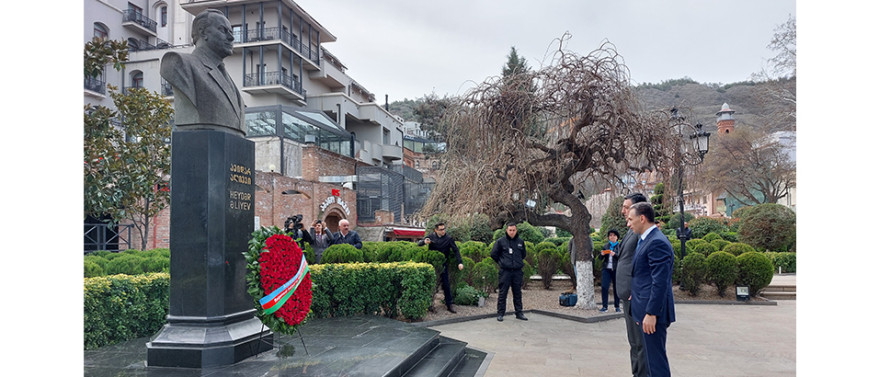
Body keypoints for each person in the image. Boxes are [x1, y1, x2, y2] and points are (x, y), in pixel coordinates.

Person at [160, 9, 246, 135]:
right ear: (203, 32)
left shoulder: (225, 76)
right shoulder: (178, 62)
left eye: (231, 32)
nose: (231, 37)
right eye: (223, 30)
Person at [627, 201, 676, 377]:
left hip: (652, 314)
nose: (628, 224)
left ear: (642, 218)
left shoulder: (657, 242)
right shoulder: (646, 239)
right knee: (649, 361)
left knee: (656, 364)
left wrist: (651, 313)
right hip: (644, 308)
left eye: (631, 219)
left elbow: (660, 282)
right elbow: (644, 275)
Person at [617, 193, 649, 377]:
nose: (623, 211)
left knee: (640, 342)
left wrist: (636, 289)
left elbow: (643, 265)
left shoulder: (641, 234)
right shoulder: (631, 230)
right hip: (627, 294)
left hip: (634, 295)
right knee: (634, 342)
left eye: (627, 207)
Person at [417, 222, 464, 313]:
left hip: (443, 264)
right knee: (430, 284)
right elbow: (419, 243)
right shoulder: (431, 236)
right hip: (432, 265)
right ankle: (428, 304)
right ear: (436, 230)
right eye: (441, 229)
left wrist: (460, 262)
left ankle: (449, 304)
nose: (443, 231)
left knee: (446, 284)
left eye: (444, 229)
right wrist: (424, 242)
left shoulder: (448, 238)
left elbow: (456, 250)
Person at [490, 222, 528, 322]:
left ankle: (519, 313)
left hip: (517, 272)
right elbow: (494, 254)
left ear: (516, 230)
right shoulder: (500, 241)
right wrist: (502, 262)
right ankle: (500, 313)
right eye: (510, 230)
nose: (512, 232)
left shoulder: (520, 242)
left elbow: (523, 254)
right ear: (506, 230)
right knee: (503, 293)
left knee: (517, 293)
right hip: (505, 272)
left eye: (513, 230)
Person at [598, 229, 621, 313]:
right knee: (604, 287)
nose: (612, 237)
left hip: (616, 269)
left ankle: (617, 306)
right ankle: (604, 306)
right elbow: (600, 258)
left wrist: (615, 255)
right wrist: (602, 254)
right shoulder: (606, 246)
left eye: (614, 235)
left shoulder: (620, 246)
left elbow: (622, 258)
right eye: (610, 235)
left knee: (616, 288)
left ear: (617, 237)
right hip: (606, 269)